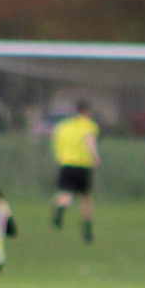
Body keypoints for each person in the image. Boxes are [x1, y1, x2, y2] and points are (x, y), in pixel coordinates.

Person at [51, 100, 100, 244]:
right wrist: (95, 157)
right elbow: (89, 140)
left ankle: (60, 209)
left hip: (66, 163)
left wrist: (60, 158)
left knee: (65, 192)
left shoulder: (63, 126)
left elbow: (56, 144)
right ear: (86, 111)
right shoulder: (88, 125)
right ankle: (87, 231)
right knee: (85, 198)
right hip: (83, 164)